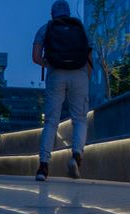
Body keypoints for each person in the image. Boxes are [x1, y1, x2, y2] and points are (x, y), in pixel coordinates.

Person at [33, 0, 92, 181]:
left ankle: (43, 167)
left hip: (56, 75)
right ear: (67, 13)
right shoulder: (79, 27)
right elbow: (89, 58)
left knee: (51, 122)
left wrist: (49, 63)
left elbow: (35, 57)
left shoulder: (45, 29)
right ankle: (76, 156)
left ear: (52, 14)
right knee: (80, 119)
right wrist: (85, 79)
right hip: (79, 75)